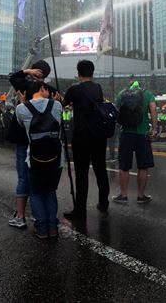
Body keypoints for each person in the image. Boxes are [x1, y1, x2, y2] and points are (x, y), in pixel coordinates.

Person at [16, 80, 64, 239]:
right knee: (50, 191)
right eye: (47, 89)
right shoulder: (56, 106)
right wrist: (55, 101)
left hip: (35, 158)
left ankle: (42, 228)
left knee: (36, 192)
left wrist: (23, 103)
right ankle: (52, 228)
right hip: (56, 158)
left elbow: (22, 125)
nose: (49, 92)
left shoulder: (21, 109)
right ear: (42, 88)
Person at [63, 60, 110, 218]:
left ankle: (80, 210)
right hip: (99, 136)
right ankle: (103, 203)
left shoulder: (74, 90)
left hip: (82, 137)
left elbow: (62, 104)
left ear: (78, 73)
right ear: (92, 72)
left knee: (81, 174)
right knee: (100, 170)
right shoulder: (98, 88)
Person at [113, 80, 157, 204]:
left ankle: (123, 195)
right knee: (143, 166)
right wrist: (153, 129)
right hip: (143, 135)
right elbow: (153, 109)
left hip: (126, 134)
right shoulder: (147, 94)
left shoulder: (122, 94)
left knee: (124, 166)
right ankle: (141, 196)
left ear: (128, 86)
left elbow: (116, 112)